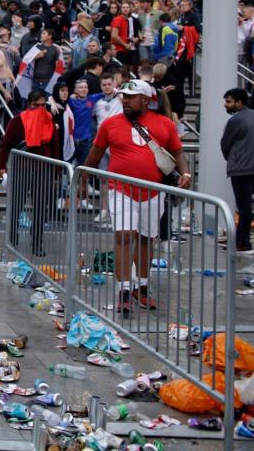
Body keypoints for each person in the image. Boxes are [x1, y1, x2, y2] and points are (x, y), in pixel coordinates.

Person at [81, 79, 190, 316]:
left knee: (145, 239)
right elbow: (95, 154)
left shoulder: (164, 123)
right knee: (123, 236)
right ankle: (123, 290)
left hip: (152, 191)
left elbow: (177, 152)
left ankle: (141, 286)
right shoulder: (110, 124)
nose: (125, 100)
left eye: (131, 96)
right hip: (121, 189)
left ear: (146, 99)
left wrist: (186, 173)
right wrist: (81, 179)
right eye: (124, 96)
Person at [0, 90, 60, 255]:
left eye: (42, 105)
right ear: (29, 105)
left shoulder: (49, 121)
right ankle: (13, 237)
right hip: (22, 168)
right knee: (16, 205)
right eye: (35, 105)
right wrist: (1, 166)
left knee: (40, 208)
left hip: (43, 169)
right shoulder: (18, 121)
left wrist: (57, 175)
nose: (39, 109)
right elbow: (6, 144)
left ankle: (37, 242)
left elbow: (55, 149)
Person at [220, 88, 254, 254]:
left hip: (241, 169)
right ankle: (243, 242)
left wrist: (232, 159)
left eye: (229, 101)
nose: (225, 105)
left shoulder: (235, 120)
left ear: (239, 102)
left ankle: (243, 243)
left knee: (243, 208)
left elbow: (225, 144)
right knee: (246, 207)